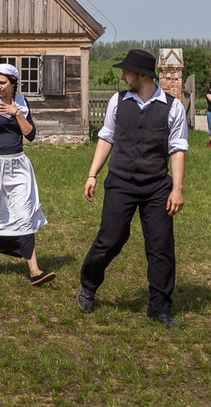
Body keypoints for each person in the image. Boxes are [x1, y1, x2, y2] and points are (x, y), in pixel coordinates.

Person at [77, 49, 189, 328]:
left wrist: (177, 189)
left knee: (161, 247)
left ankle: (160, 308)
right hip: (121, 183)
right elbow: (106, 138)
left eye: (127, 72)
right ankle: (89, 286)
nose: (123, 76)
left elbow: (177, 149)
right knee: (111, 239)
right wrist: (92, 174)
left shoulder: (172, 107)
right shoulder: (118, 101)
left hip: (156, 187)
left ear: (142, 75)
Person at [0, 64, 55, 285]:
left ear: (13, 83)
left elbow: (31, 135)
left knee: (24, 214)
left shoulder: (23, 104)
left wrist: (16, 112)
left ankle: (35, 270)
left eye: (2, 83)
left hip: (18, 164)